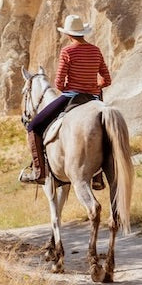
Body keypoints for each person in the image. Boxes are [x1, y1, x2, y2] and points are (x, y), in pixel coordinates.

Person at [19, 14, 112, 186]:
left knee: (33, 127)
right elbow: (106, 80)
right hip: (92, 98)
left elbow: (59, 83)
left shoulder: (67, 51)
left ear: (68, 35)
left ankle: (38, 172)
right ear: (83, 33)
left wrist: (75, 84)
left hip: (72, 97)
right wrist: (92, 84)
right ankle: (97, 177)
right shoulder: (95, 50)